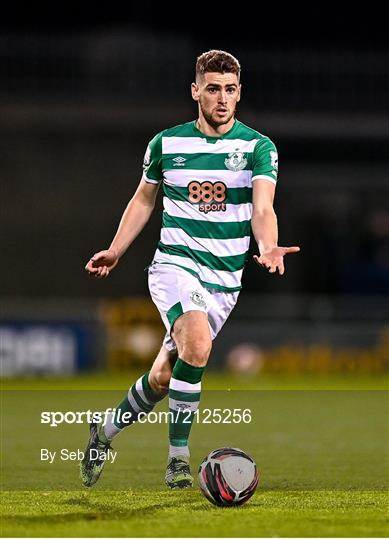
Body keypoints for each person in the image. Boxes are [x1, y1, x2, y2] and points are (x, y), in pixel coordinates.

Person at [80, 49, 300, 490]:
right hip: (175, 265)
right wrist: (116, 249)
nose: (222, 99)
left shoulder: (258, 147)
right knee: (198, 345)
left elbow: (262, 206)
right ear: (196, 90)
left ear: (239, 95)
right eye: (214, 88)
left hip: (224, 281)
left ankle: (102, 433)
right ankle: (178, 460)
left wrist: (268, 244)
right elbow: (144, 199)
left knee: (164, 377)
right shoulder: (166, 144)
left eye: (231, 90)